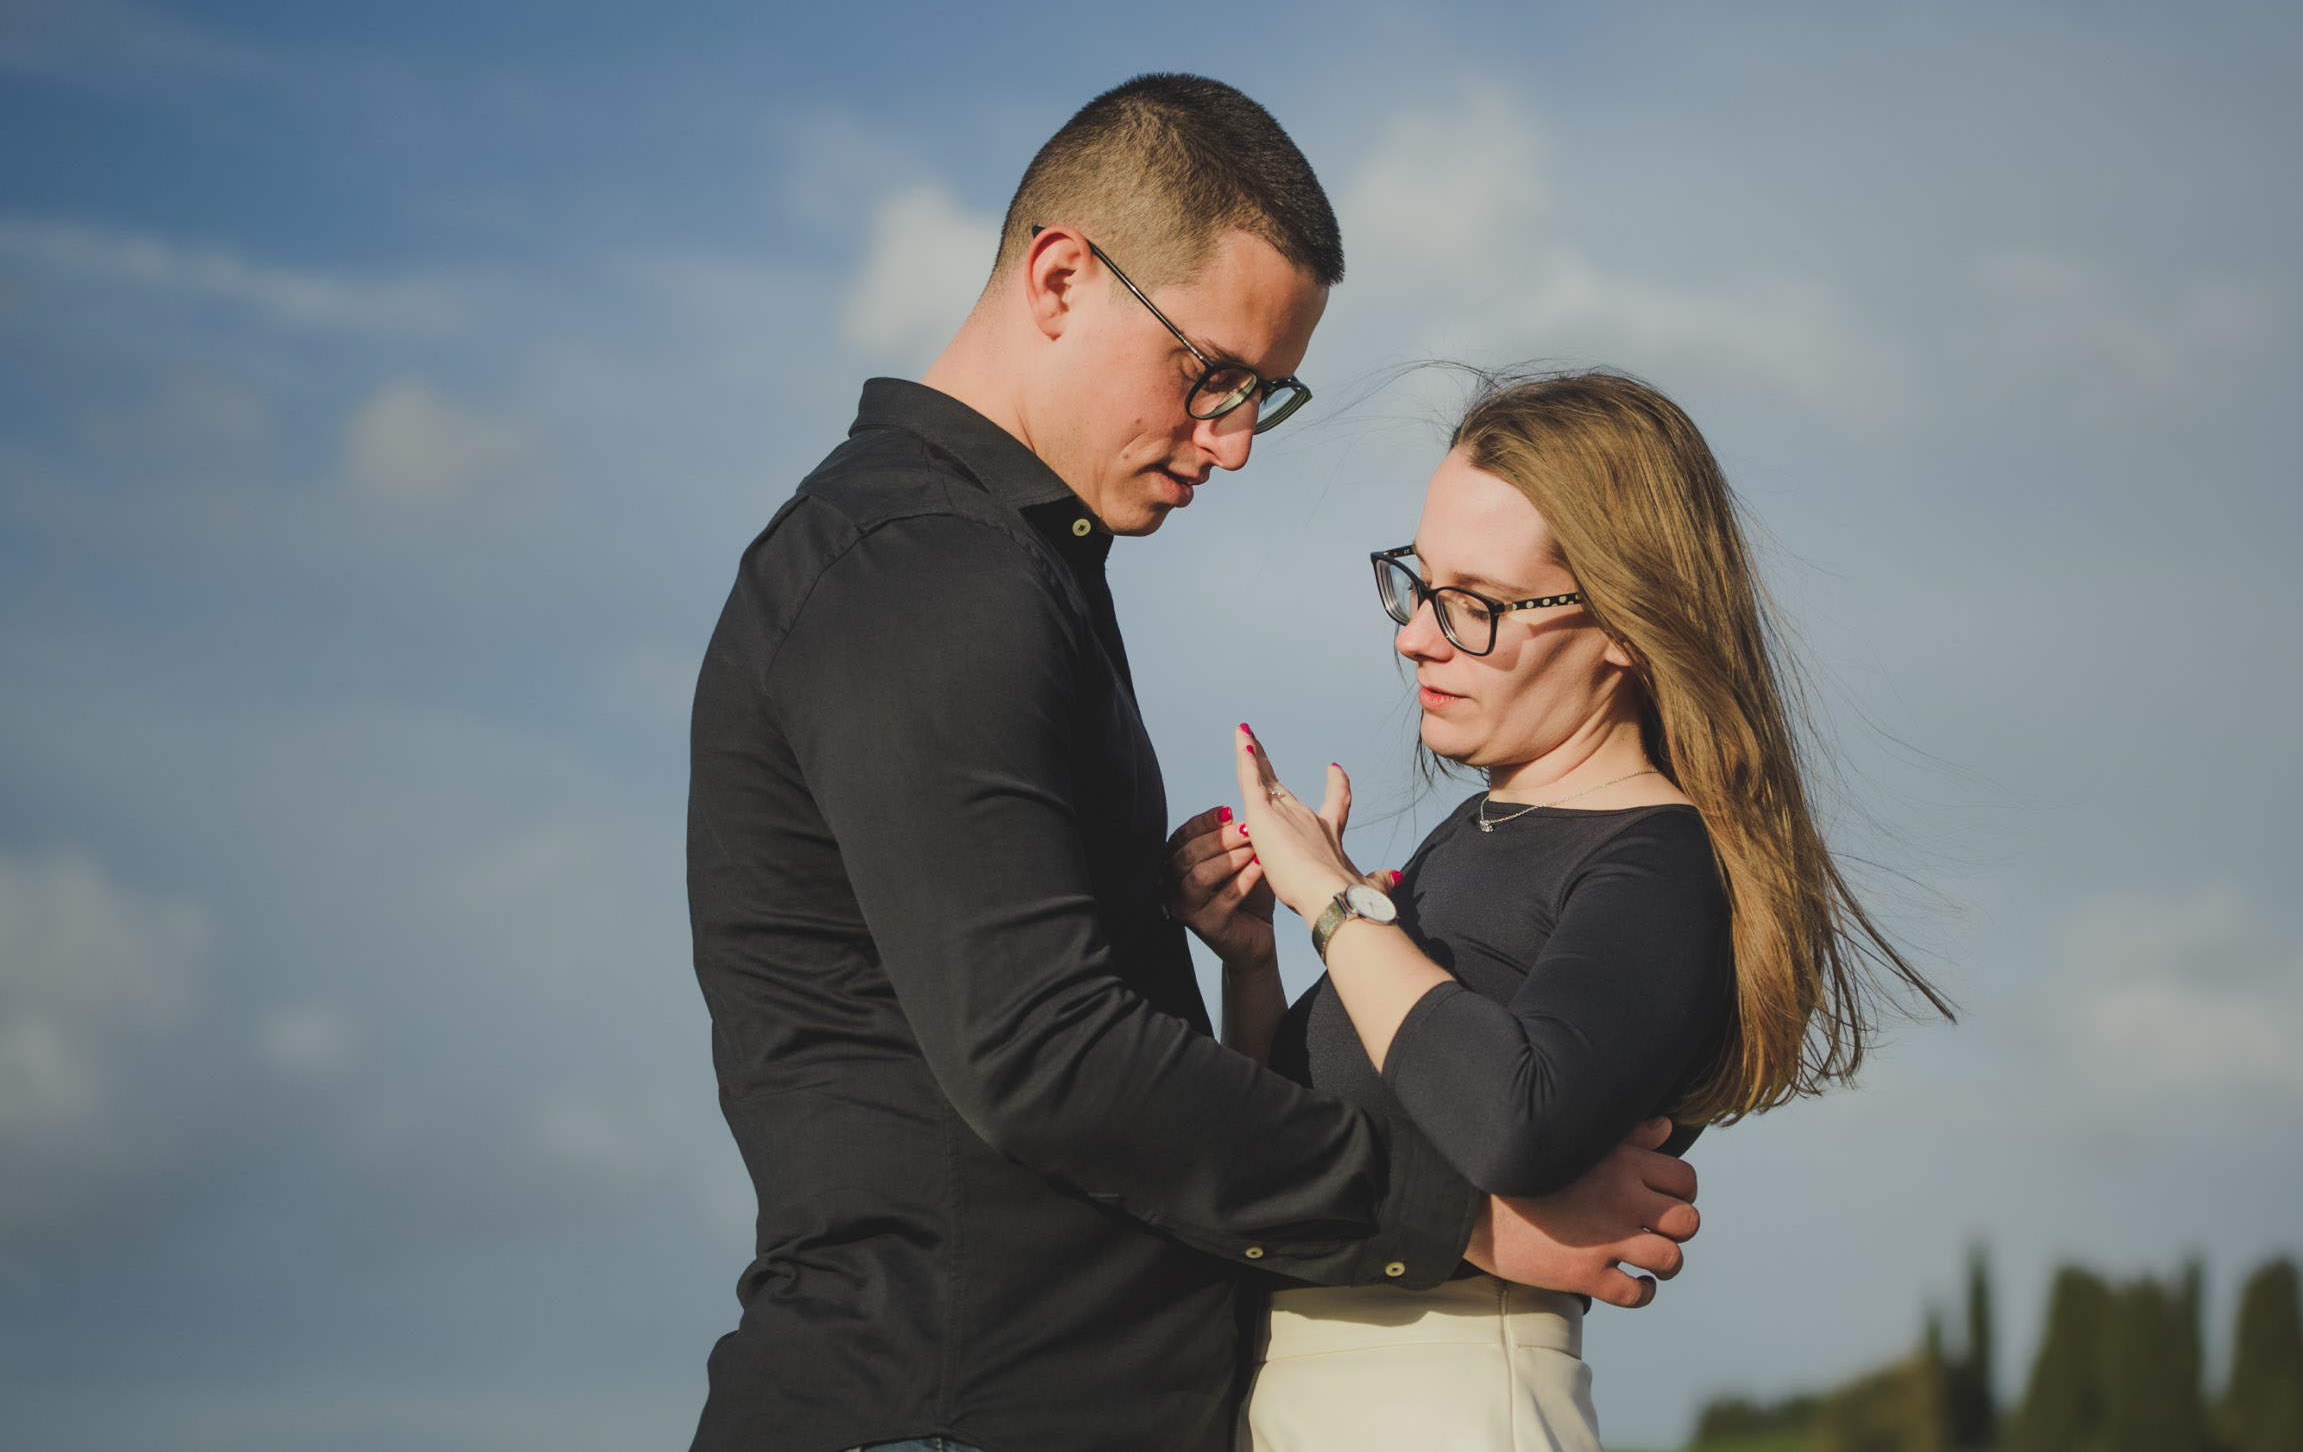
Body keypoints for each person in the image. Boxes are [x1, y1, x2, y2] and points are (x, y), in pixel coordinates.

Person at [684, 79, 1703, 1452]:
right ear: (1059, 276)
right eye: (1208, 373)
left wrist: (1240, 959)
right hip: (954, 1403)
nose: (1228, 438)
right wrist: (1458, 1214)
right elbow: (1047, 1053)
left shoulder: (1003, 562)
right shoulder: (928, 575)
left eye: (1262, 400)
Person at [1168, 369, 1950, 1452]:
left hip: (1442, 1402)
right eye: (1418, 583)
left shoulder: (1660, 861)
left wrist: (1336, 902)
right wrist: (1255, 956)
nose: (1415, 638)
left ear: (1623, 625)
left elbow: (1513, 1121)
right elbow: (1284, 1143)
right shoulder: (1477, 831)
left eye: (1474, 605)